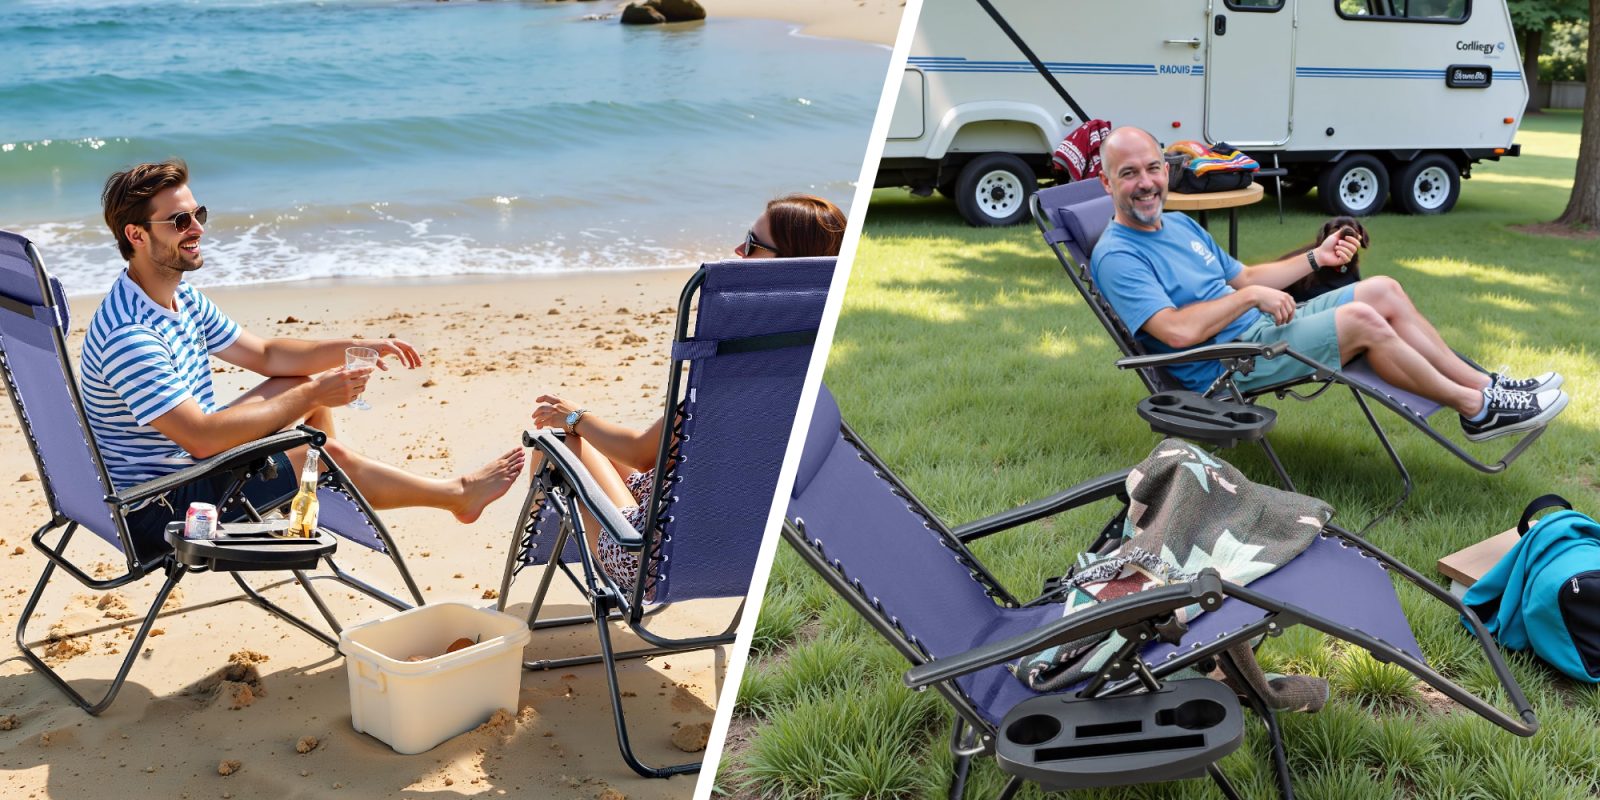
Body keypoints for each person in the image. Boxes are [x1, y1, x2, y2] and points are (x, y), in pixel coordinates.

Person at [86, 159, 524, 554]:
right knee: (320, 447)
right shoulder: (131, 335)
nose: (197, 229)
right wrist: (316, 390)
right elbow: (200, 438)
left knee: (302, 393)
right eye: (179, 221)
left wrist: (358, 346)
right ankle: (456, 495)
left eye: (198, 214)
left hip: (185, 470)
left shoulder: (177, 297)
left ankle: (319, 493)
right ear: (136, 235)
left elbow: (267, 354)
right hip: (162, 513)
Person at [1090, 126, 1566, 442]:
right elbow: (1175, 332)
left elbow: (1248, 277)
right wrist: (1251, 299)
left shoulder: (1180, 226)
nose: (1146, 183)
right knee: (1360, 319)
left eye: (1153, 168)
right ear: (1107, 184)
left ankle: (1493, 389)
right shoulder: (1117, 254)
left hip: (1256, 332)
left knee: (1381, 289)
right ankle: (1477, 408)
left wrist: (1315, 258)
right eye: (1128, 174)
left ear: (1166, 170)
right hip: (1224, 363)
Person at [528, 194, 846, 589]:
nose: (737, 250)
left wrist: (574, 417)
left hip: (646, 560)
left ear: (784, 266)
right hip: (740, 555)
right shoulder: (805, 364)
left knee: (554, 444)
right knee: (597, 448)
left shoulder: (734, 371)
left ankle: (567, 577)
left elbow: (642, 454)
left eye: (751, 244)